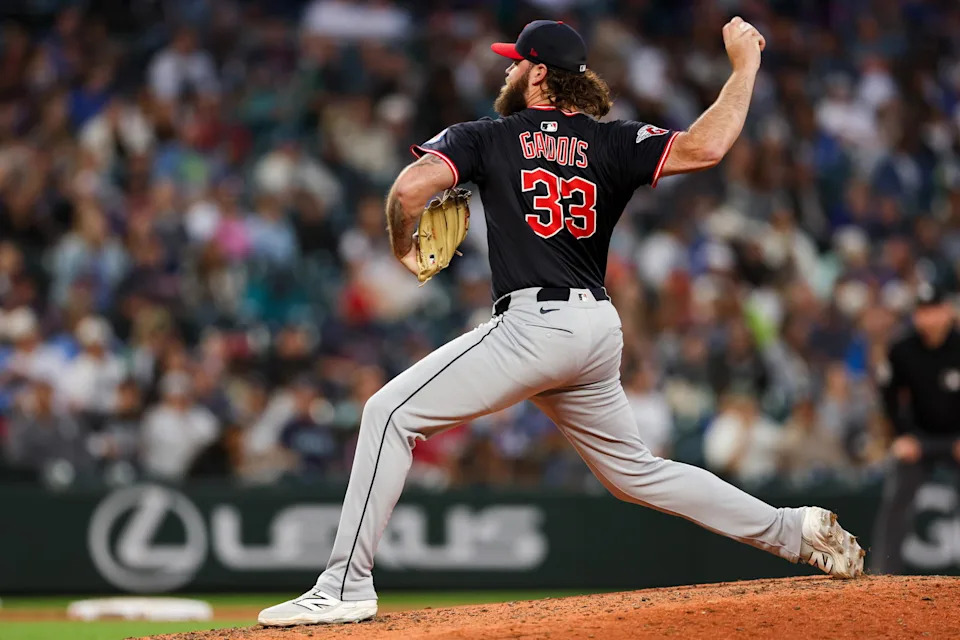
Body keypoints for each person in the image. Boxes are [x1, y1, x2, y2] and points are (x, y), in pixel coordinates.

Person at [259, 18, 864, 627]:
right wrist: (744, 69)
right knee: (638, 474)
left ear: (539, 72)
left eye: (515, 61)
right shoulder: (612, 142)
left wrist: (401, 246)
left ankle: (344, 585)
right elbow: (707, 147)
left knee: (387, 414)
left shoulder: (488, 136)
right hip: (596, 329)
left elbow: (411, 189)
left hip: (535, 326)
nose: (507, 69)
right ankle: (792, 530)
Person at [871, 281, 960, 573]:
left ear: (948, 311)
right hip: (919, 439)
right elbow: (889, 397)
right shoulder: (902, 349)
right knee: (896, 497)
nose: (929, 318)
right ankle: (883, 576)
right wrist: (903, 436)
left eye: (934, 310)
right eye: (922, 311)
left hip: (957, 438)